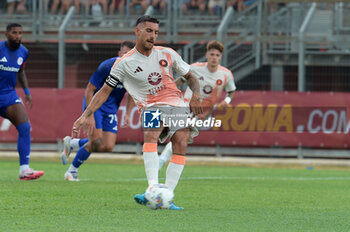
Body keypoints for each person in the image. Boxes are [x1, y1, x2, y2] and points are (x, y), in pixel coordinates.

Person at [71, 15, 202, 210]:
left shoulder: (167, 53)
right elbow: (104, 92)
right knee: (151, 134)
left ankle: (167, 198)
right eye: (149, 31)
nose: (153, 36)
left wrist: (196, 96)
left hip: (176, 104)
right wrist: (85, 115)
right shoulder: (124, 63)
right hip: (150, 106)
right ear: (137, 31)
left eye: (156, 32)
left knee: (181, 143)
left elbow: (192, 78)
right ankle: (152, 189)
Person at [61, 41, 135, 181]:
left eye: (131, 55)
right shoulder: (107, 66)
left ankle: (73, 144)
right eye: (125, 54)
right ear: (119, 54)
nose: (128, 57)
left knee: (107, 147)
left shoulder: (135, 71)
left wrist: (127, 113)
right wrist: (89, 116)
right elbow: (90, 89)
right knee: (95, 141)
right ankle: (72, 171)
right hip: (96, 106)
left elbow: (131, 93)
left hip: (111, 109)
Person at [158, 40, 236, 170]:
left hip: (204, 112)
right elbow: (180, 80)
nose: (214, 58)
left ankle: (163, 158)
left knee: (182, 136)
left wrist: (226, 101)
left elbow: (231, 91)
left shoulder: (226, 74)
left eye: (217, 55)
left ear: (221, 57)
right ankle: (162, 160)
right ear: (207, 55)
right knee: (183, 134)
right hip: (187, 105)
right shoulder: (194, 68)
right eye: (212, 54)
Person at [0, 23, 44, 180]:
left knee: (25, 127)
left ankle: (24, 169)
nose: (17, 36)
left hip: (9, 95)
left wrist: (26, 92)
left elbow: (21, 71)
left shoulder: (24, 52)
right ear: (6, 34)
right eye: (14, 33)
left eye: (20, 33)